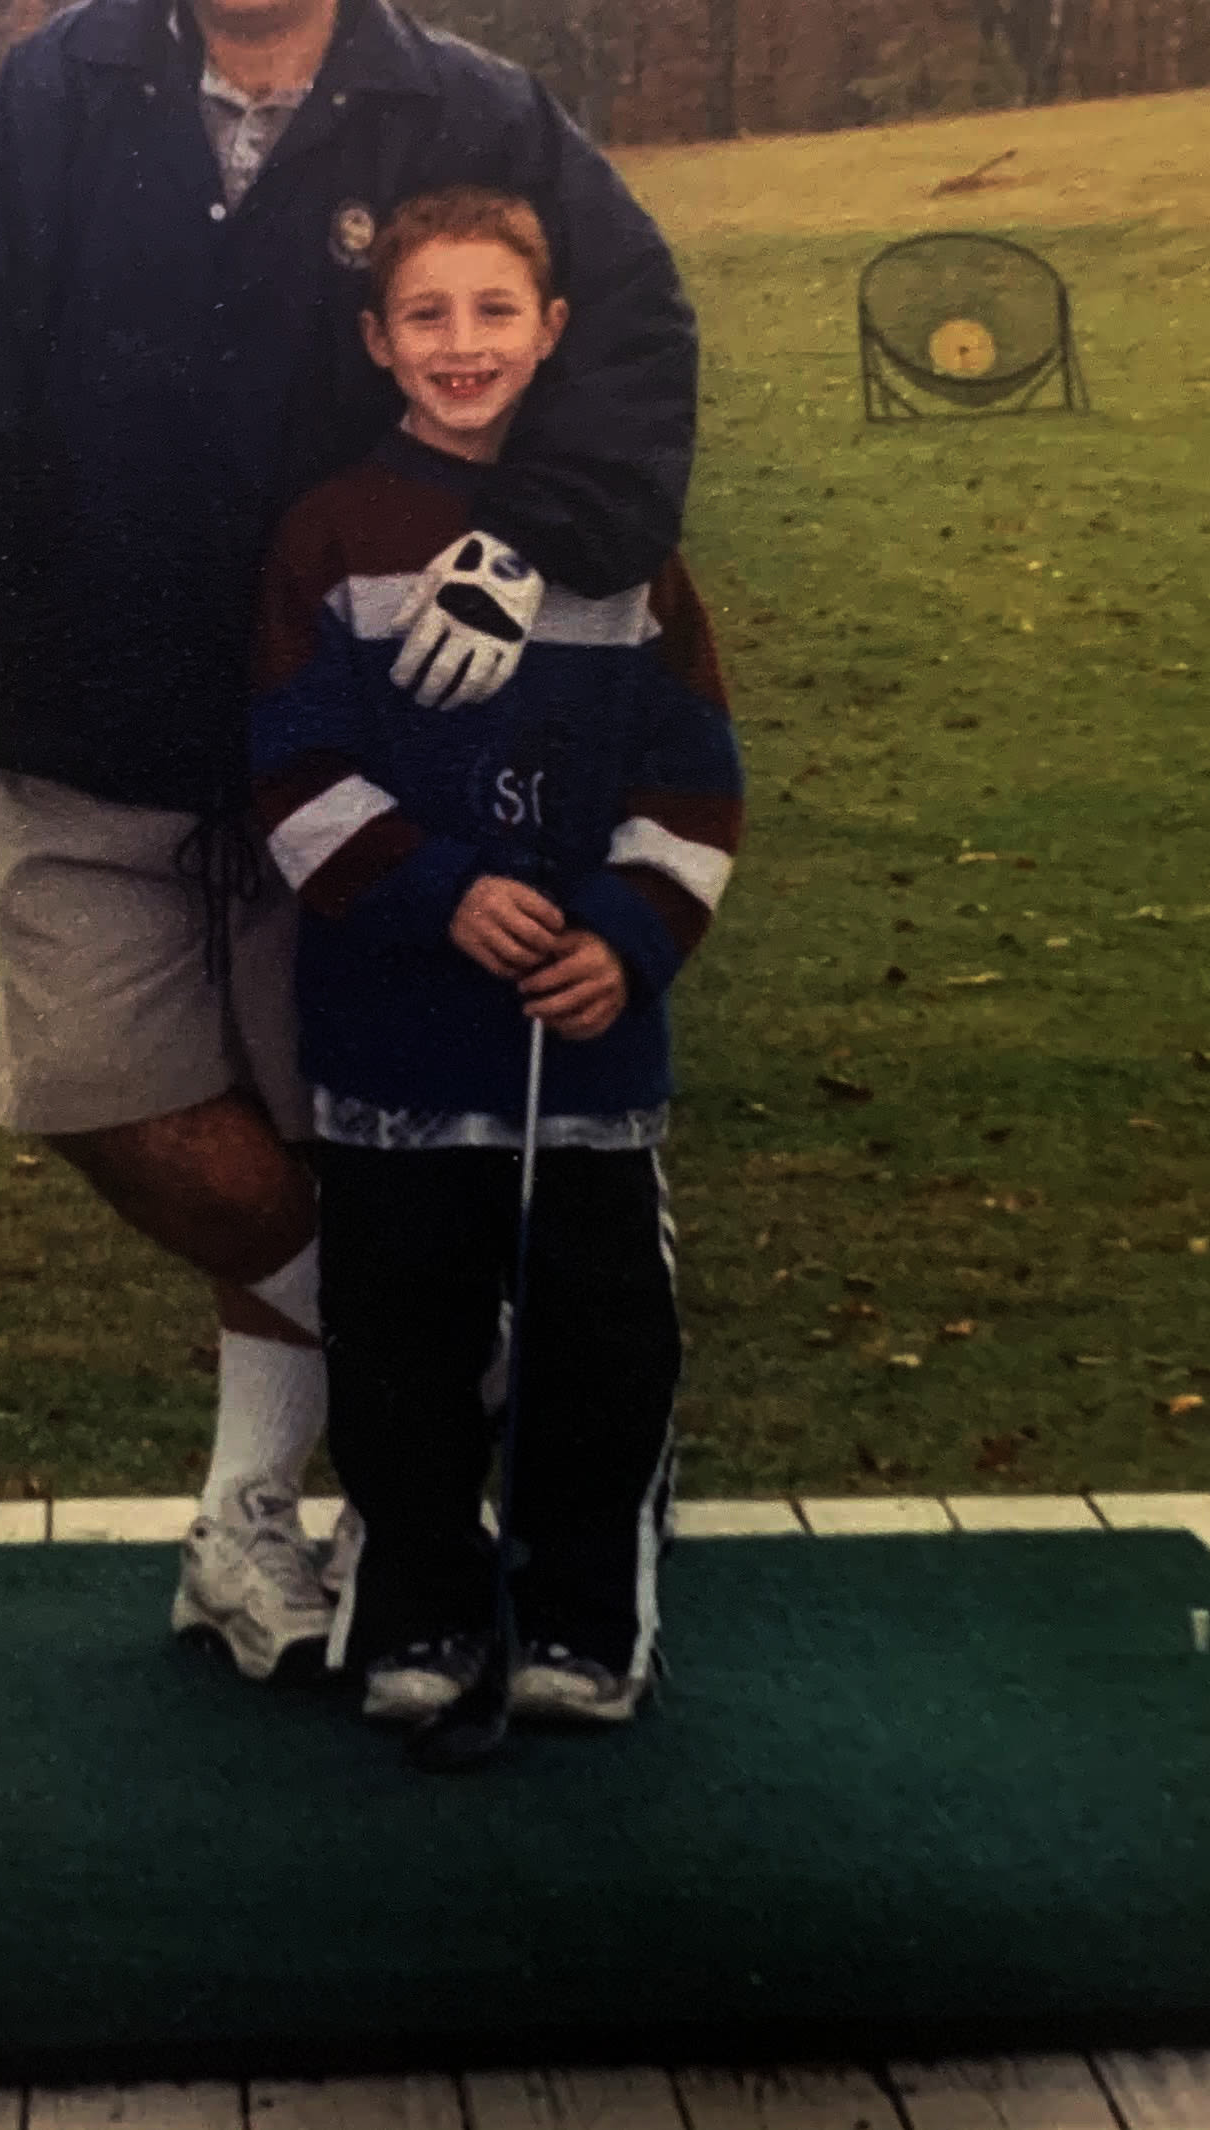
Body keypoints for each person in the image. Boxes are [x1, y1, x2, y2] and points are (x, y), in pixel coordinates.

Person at [0, 0, 699, 1685]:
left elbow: (620, 342)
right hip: (92, 701)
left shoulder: (461, 106)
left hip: (360, 732)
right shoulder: (64, 87)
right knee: (117, 1095)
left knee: (329, 1117)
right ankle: (452, 1357)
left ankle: (251, 1523)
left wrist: (531, 546)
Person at [246, 186, 741, 1724]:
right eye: (427, 315)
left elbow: (694, 781)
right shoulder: (329, 529)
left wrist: (626, 934)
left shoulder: (623, 548)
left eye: (494, 311)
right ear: (376, 340)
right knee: (400, 1348)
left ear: (553, 330)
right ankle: (418, 1609)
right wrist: (436, 888)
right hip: (396, 1044)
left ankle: (586, 1619)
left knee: (602, 1344)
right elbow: (293, 774)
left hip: (583, 1056)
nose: (462, 344)